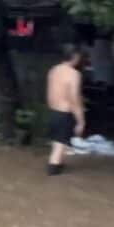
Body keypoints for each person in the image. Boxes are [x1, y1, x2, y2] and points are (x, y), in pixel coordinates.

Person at [46, 44, 86, 176]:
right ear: (74, 57)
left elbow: (50, 93)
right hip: (65, 113)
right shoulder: (74, 74)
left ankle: (56, 168)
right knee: (58, 149)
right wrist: (81, 121)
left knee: (57, 145)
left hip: (52, 111)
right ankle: (53, 175)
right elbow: (74, 98)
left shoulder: (53, 70)